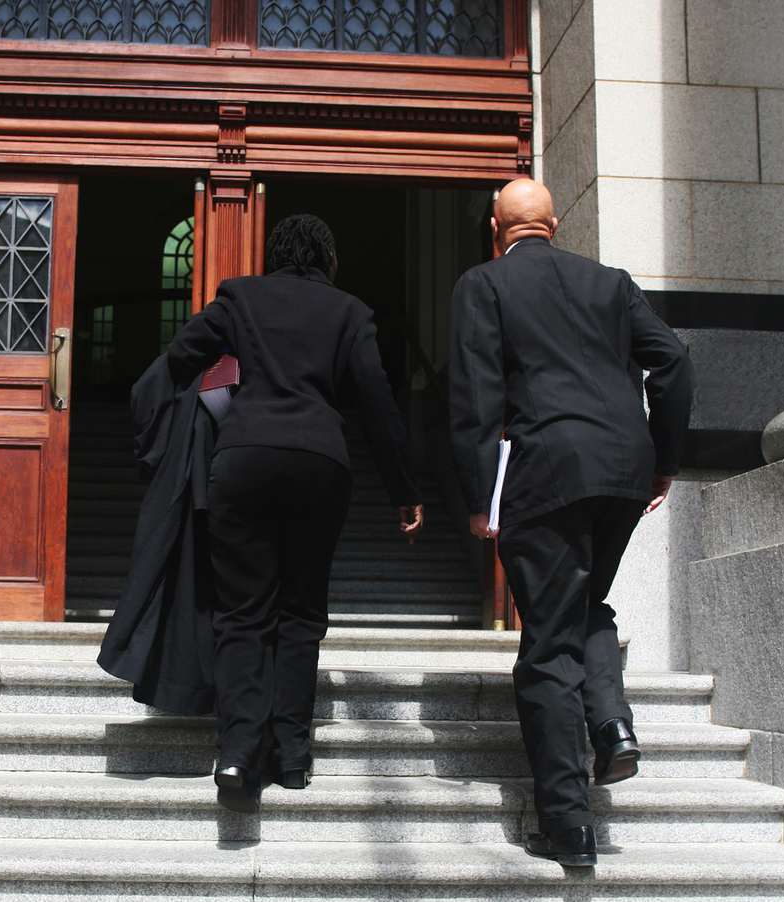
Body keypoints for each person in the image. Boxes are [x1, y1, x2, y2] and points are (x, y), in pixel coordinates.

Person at [449, 178, 693, 866]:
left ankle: (568, 828)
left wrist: (478, 497)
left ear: (496, 225)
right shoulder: (611, 283)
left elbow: (475, 398)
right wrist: (663, 460)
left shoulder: (484, 284)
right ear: (553, 223)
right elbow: (672, 361)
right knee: (584, 604)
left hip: (547, 471)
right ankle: (612, 728)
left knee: (549, 640)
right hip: (621, 470)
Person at [167, 213, 425, 814]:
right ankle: (291, 756)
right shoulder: (350, 312)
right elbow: (377, 402)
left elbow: (183, 354)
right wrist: (403, 489)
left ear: (274, 254)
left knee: (242, 612)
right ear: (328, 260)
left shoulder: (240, 296)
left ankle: (236, 755)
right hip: (320, 462)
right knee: (302, 611)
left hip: (244, 458)